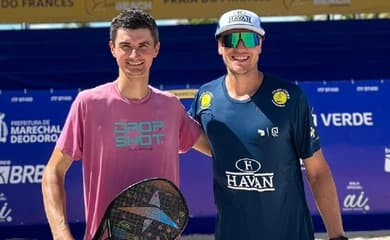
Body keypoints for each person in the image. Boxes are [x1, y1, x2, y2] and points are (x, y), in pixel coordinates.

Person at [41, 8, 210, 240]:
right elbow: (53, 171)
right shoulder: (88, 103)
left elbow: (217, 149)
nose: (134, 55)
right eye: (125, 46)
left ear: (156, 50)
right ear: (112, 48)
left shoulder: (171, 106)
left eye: (143, 46)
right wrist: (61, 234)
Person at [189, 9, 348, 240]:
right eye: (231, 39)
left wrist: (337, 236)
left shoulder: (290, 97)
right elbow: (196, 139)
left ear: (260, 45)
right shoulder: (206, 96)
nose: (240, 48)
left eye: (250, 39)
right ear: (219, 46)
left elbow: (317, 172)